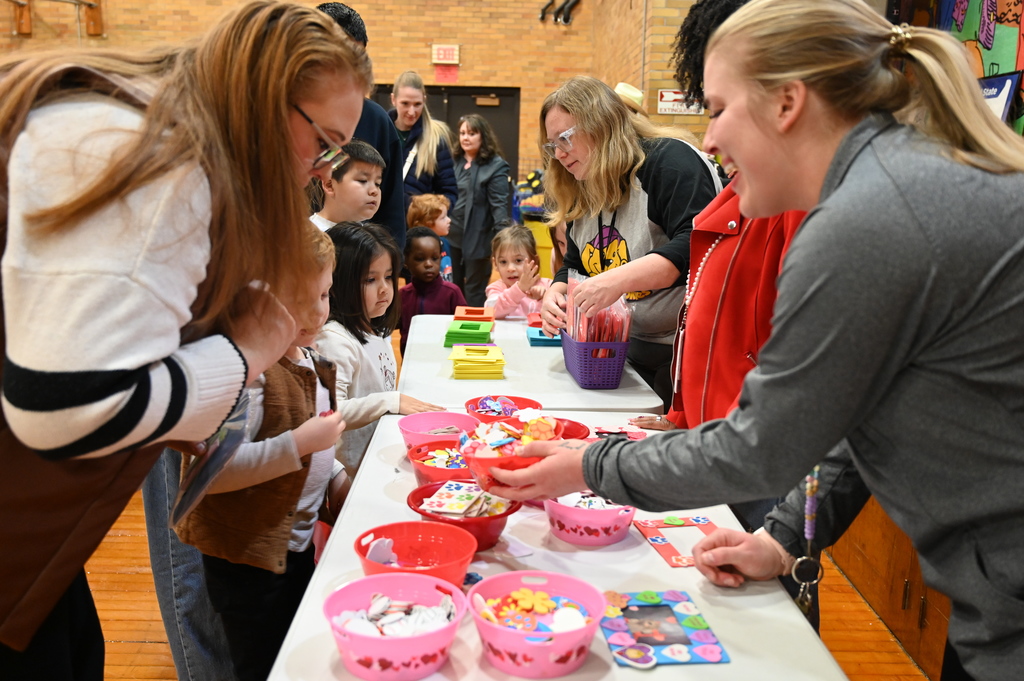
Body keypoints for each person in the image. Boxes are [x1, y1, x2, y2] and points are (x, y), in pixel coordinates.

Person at [492, 1, 1024, 678]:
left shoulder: (866, 219)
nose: (708, 141)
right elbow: (860, 412)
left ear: (787, 103)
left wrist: (587, 464)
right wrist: (780, 538)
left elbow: (760, 447)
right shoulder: (896, 183)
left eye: (716, 108)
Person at [0, 2, 371, 678]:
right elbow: (62, 407)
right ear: (267, 97)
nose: (322, 168)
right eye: (323, 143)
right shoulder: (163, 153)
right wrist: (246, 351)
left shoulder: (166, 133)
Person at [175, 226, 348, 681]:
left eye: (325, 295)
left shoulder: (307, 357)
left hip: (293, 551)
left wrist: (336, 477)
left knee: (292, 655)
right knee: (263, 663)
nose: (317, 312)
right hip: (249, 565)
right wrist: (301, 445)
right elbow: (215, 471)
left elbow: (319, 439)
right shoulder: (248, 376)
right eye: (300, 300)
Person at [538, 75, 721, 409]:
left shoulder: (668, 162)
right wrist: (556, 292)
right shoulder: (584, 181)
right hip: (624, 351)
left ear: (601, 125)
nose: (559, 155)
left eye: (564, 139)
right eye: (552, 146)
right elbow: (576, 264)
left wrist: (617, 280)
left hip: (686, 355)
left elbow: (697, 246)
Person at [317, 222, 443, 476]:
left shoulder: (372, 330)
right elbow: (331, 412)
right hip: (353, 474)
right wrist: (390, 401)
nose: (385, 288)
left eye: (388, 276)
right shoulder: (334, 340)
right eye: (370, 279)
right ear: (338, 283)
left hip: (378, 457)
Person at [316, 2, 407, 249]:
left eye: (357, 59)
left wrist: (388, 270)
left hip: (360, 262)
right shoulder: (284, 113)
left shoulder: (376, 120)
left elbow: (391, 207)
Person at [450, 113, 513, 306]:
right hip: (451, 237)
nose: (465, 138)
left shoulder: (496, 166)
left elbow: (499, 208)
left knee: (474, 291)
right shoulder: (454, 161)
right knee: (452, 287)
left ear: (483, 136)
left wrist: (503, 244)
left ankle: (473, 333)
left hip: (479, 239)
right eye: (462, 133)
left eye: (471, 133)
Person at [389, 71, 458, 211]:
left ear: (424, 101)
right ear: (393, 99)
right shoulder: (380, 131)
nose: (411, 111)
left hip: (417, 228)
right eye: (405, 103)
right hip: (379, 224)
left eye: (417, 104)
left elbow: (449, 193)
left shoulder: (436, 137)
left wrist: (430, 216)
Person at [399, 227, 467, 354]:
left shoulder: (452, 293)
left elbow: (465, 329)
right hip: (411, 362)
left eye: (434, 258)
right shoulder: (402, 296)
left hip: (445, 360)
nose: (429, 264)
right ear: (406, 261)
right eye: (420, 259)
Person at [309, 139, 385, 230]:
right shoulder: (305, 234)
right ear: (330, 185)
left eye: (377, 184)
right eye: (362, 180)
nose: (374, 191)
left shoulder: (372, 239)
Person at [485, 224, 552, 318]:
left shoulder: (548, 285)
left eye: (518, 260)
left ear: (534, 261)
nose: (510, 268)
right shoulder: (496, 288)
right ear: (495, 264)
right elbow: (491, 311)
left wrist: (545, 297)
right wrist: (520, 289)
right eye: (503, 262)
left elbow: (561, 314)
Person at [407, 193, 454, 282]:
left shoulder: (445, 243)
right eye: (443, 218)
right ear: (427, 223)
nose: (449, 220)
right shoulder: (415, 249)